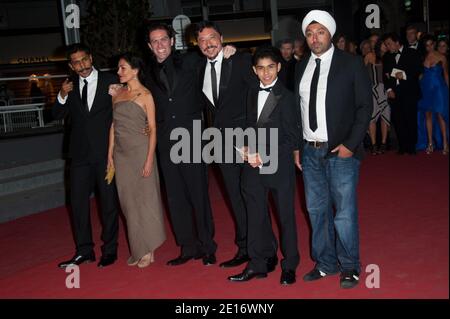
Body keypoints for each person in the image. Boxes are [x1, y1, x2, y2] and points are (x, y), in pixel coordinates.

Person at [294, 10, 372, 289]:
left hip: (340, 150)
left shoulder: (351, 64)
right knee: (316, 211)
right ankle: (325, 263)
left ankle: (350, 266)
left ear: (331, 34)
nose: (315, 38)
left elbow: (365, 107)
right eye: (310, 34)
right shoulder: (301, 67)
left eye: (320, 32)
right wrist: (296, 148)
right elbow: (297, 110)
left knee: (344, 212)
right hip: (309, 150)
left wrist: (350, 145)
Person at [145, 23, 218, 266]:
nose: (160, 45)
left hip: (192, 136)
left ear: (172, 40)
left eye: (163, 39)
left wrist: (229, 50)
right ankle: (188, 247)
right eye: (154, 41)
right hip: (165, 140)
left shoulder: (191, 61)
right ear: (149, 46)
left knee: (198, 193)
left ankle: (208, 246)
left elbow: (214, 56)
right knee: (175, 197)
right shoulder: (145, 72)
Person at [228, 46, 300, 285]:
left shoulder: (288, 97)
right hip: (253, 166)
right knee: (255, 216)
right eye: (261, 68)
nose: (266, 73)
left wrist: (264, 155)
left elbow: (292, 138)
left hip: (278, 167)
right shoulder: (251, 93)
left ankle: (289, 264)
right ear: (254, 70)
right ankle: (258, 263)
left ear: (278, 67)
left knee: (285, 217)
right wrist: (245, 147)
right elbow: (250, 126)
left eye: (271, 67)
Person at [195, 20, 260, 269]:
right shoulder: (199, 69)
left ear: (221, 38)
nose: (207, 43)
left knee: (253, 195)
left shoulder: (240, 61)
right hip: (221, 142)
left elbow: (258, 95)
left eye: (211, 38)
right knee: (234, 196)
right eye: (201, 40)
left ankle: (263, 251)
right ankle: (244, 248)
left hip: (247, 140)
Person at [54, 43, 119, 269]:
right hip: (79, 156)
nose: (81, 65)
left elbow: (125, 110)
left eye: (84, 59)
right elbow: (55, 114)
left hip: (106, 155)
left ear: (91, 58)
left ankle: (110, 250)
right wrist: (61, 95)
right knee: (78, 204)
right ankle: (84, 251)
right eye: (76, 62)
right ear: (70, 65)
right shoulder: (69, 88)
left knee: (109, 203)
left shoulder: (110, 80)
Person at [108, 53, 166, 268]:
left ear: (135, 70)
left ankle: (148, 250)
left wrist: (150, 159)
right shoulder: (117, 94)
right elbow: (113, 126)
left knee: (146, 200)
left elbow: (152, 129)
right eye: (118, 68)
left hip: (141, 151)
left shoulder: (145, 95)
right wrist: (110, 154)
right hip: (121, 156)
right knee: (128, 203)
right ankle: (138, 247)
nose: (118, 72)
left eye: (123, 68)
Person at [383, 32, 422, 155]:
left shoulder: (412, 53)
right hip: (395, 93)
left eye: (389, 44)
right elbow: (385, 76)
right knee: (398, 120)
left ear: (397, 42)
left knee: (410, 119)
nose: (387, 47)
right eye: (386, 44)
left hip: (409, 91)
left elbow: (418, 70)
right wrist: (389, 90)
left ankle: (411, 147)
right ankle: (402, 146)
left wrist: (404, 75)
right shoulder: (387, 57)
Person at [417, 35, 449, 155]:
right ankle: (430, 143)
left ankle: (445, 144)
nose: (429, 47)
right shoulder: (423, 57)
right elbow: (420, 73)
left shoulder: (442, 57)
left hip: (438, 89)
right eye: (427, 45)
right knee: (428, 115)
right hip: (426, 89)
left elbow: (446, 75)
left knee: (440, 115)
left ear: (434, 44)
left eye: (431, 44)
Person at [367, 40, 391, 155]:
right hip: (371, 89)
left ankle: (383, 143)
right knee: (372, 117)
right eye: (384, 44)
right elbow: (361, 73)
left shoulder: (389, 57)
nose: (386, 46)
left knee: (384, 116)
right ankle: (373, 144)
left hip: (384, 89)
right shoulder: (369, 55)